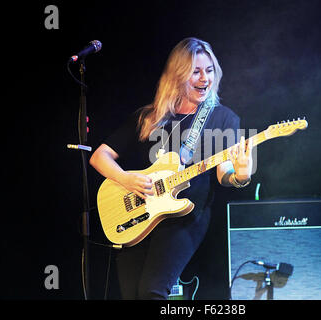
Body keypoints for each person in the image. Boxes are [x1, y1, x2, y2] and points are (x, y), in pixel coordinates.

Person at [90, 37, 254, 300]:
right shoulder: (149, 117)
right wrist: (126, 179)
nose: (205, 79)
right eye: (196, 71)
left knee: (152, 292)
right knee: (131, 295)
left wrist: (241, 176)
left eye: (209, 70)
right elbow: (100, 156)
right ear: (177, 75)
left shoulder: (222, 117)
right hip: (139, 213)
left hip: (185, 217)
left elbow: (224, 173)